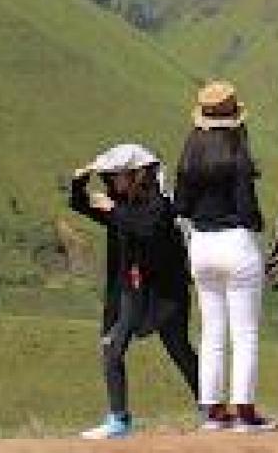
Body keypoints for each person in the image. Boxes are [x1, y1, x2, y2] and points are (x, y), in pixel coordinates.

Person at [69, 143, 199, 440]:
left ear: (135, 175)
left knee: (179, 349)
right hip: (133, 289)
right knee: (112, 347)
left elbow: (147, 229)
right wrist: (79, 182)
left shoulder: (160, 204)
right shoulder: (120, 203)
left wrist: (113, 210)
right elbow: (81, 204)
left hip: (166, 291)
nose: (111, 181)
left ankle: (209, 407)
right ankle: (119, 418)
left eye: (116, 175)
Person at [173, 81, 277, 432]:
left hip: (202, 244)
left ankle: (214, 412)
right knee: (244, 333)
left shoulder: (190, 155)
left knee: (211, 331)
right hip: (236, 243)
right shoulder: (237, 155)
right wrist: (257, 225)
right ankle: (245, 411)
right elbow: (248, 209)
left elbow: (181, 206)